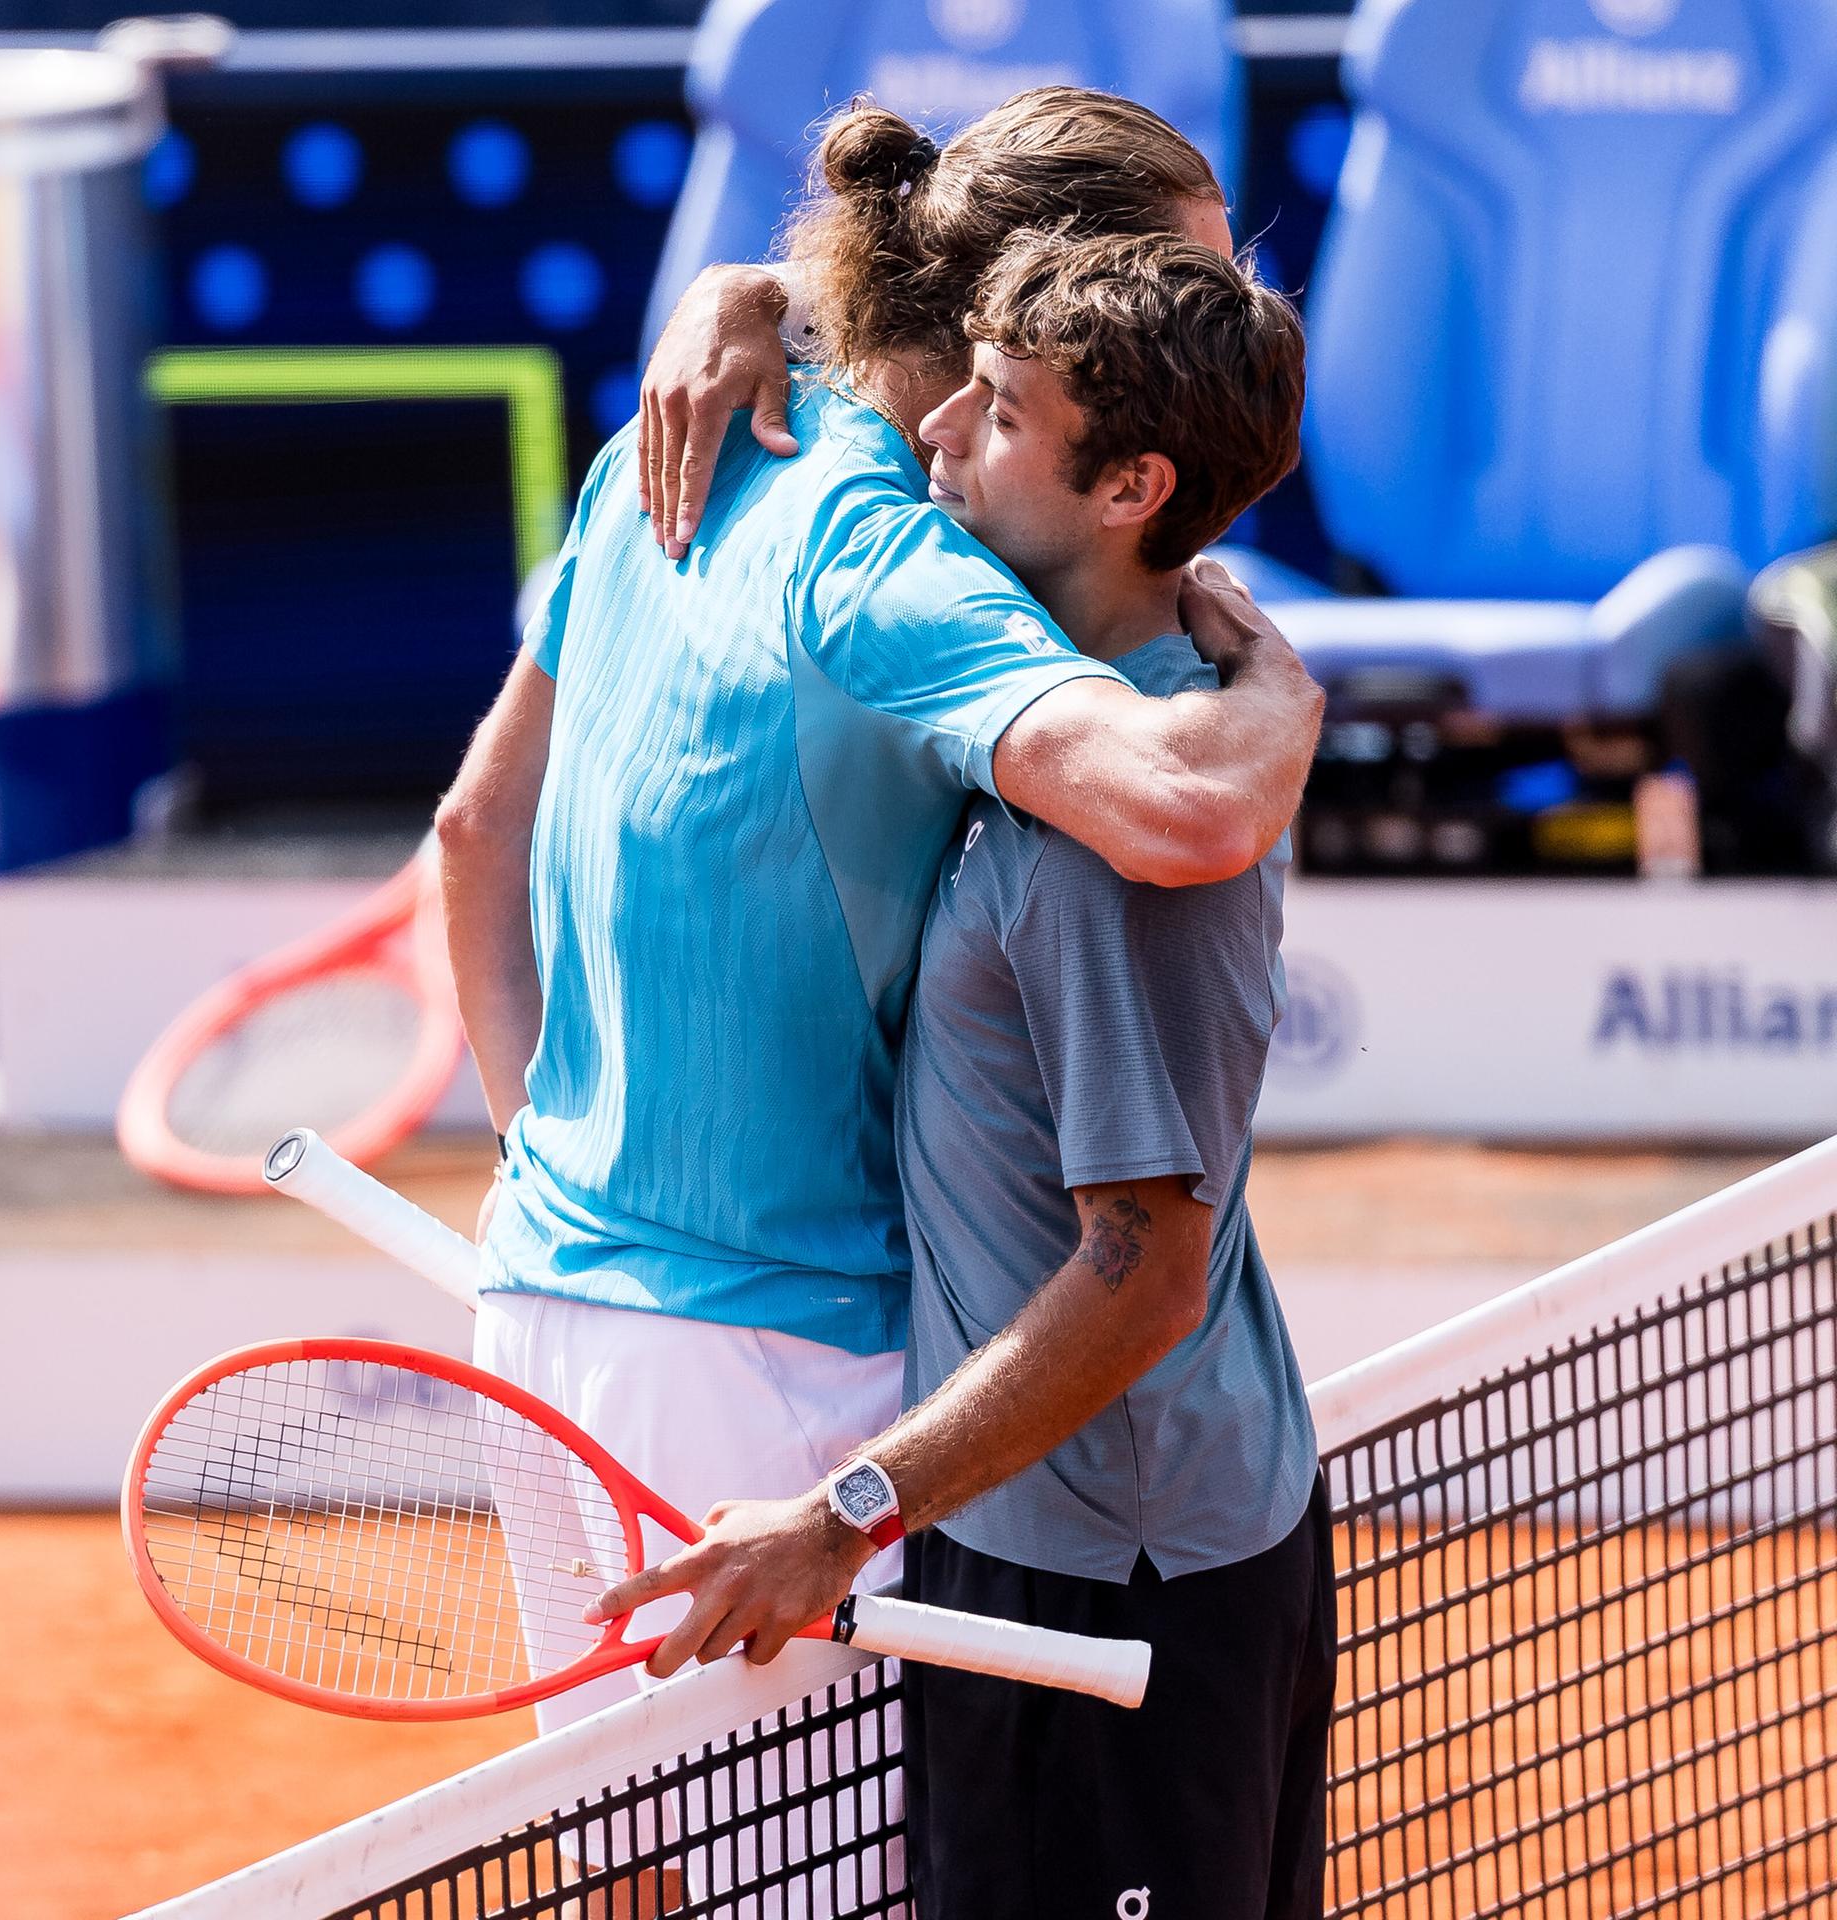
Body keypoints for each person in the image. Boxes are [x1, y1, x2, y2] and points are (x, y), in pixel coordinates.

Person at [434, 88, 1323, 1736]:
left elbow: (475, 829)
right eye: (1190, 277)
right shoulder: (897, 560)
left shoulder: (659, 443)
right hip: (775, 1369)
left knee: (625, 1878)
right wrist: (1281, 677)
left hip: (537, 1304)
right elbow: (1192, 806)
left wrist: (559, 1188)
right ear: (1055, 299)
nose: (1221, 325)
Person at [591, 227, 1333, 1920]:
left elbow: (1140, 1276)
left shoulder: (1116, 849)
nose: (937, 434)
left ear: (1132, 485)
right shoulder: (1076, 738)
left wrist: (841, 1515)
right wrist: (747, 297)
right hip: (1076, 1538)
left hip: (1119, 1583)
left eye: (999, 415)